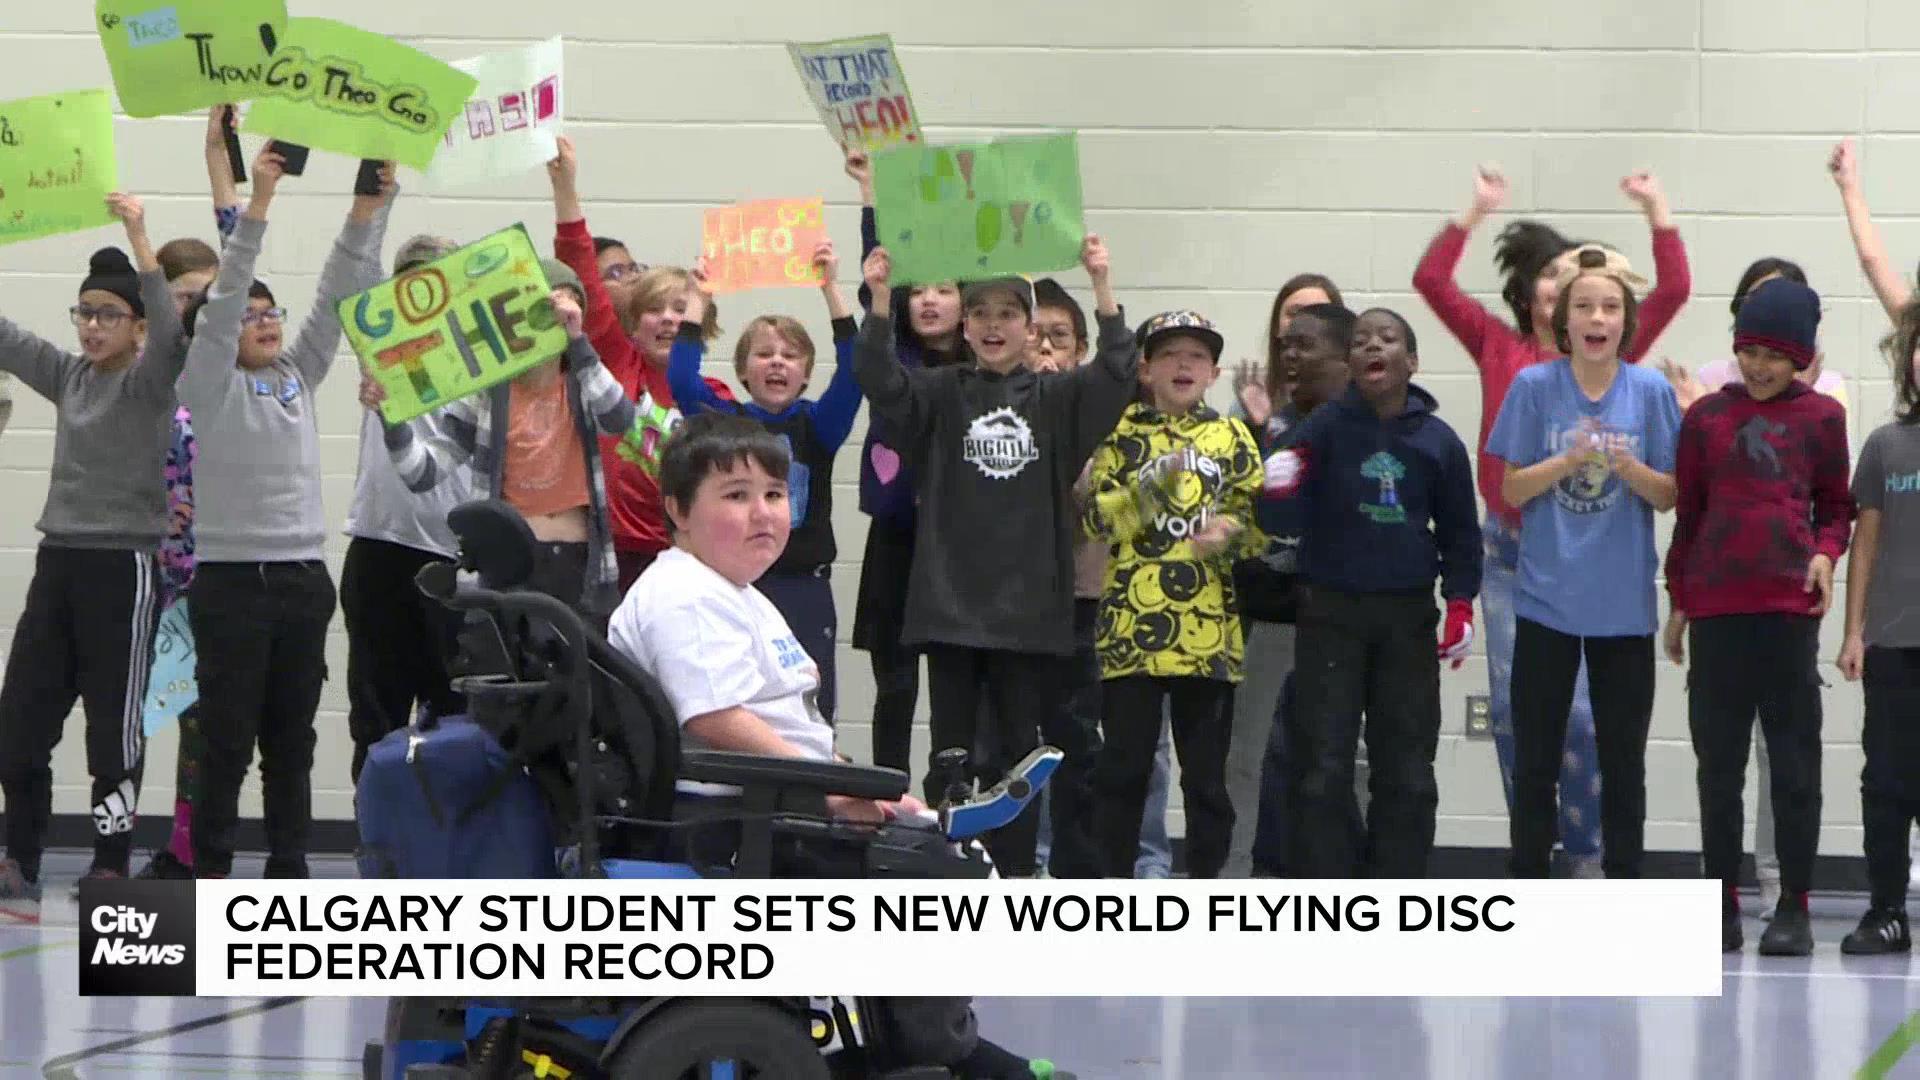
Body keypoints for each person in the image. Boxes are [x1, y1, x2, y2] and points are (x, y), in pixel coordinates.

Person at [609, 411, 1074, 1080]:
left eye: (773, 494)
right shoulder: (685, 595)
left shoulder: (727, 589)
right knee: (933, 875)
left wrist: (850, 780)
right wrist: (829, 787)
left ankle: (907, 1051)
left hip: (766, 801)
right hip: (733, 821)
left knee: (924, 839)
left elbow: (775, 719)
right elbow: (715, 720)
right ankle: (945, 1053)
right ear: (679, 510)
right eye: (735, 496)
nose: (763, 513)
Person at [1414, 166, 1691, 878]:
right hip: (1510, 552)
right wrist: (1473, 211)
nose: (1569, 293)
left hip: (1593, 560)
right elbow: (1432, 282)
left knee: (1589, 721)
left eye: (1587, 287)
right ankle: (1534, 855)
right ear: (1541, 296)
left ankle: (1591, 850)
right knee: (1517, 715)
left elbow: (1674, 291)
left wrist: (1657, 210)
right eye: (1554, 278)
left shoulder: (1619, 355)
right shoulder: (1502, 351)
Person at [854, 238, 1133, 879]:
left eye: (1009, 313)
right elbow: (878, 379)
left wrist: (1101, 282)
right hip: (950, 603)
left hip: (1027, 611)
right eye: (980, 313)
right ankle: (953, 880)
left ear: (1031, 329)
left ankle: (1014, 880)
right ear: (966, 326)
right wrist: (876, 297)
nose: (993, 325)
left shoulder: (1060, 401)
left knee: (1016, 760)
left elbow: (1118, 370)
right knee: (950, 755)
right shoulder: (939, 392)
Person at [179, 147, 396, 880]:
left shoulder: (297, 376)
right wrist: (260, 200)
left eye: (274, 313)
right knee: (226, 741)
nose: (266, 322)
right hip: (231, 585)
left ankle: (288, 869)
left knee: (292, 742)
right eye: (251, 315)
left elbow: (339, 292)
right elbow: (228, 288)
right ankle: (209, 871)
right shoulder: (204, 385)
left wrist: (367, 212)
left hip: (304, 581)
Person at [0, 194, 185, 915]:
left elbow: (173, 334)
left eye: (108, 315)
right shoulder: (68, 377)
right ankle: (20, 855)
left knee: (114, 726)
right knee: (19, 723)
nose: (92, 327)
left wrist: (140, 237)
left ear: (135, 326)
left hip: (125, 570)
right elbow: (9, 339)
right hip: (61, 566)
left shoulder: (148, 381)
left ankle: (112, 861)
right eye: (84, 313)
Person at [1663, 277, 1852, 955]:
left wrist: (1828, 555)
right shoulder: (1706, 418)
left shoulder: (1823, 419)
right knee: (1719, 770)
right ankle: (1720, 904)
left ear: (1801, 357)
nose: (1760, 366)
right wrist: (1678, 603)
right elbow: (1689, 517)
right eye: (1749, 351)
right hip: (1717, 614)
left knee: (1795, 767)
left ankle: (1793, 908)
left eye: (1775, 354)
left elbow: (1836, 508)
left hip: (1787, 614)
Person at [1485, 249, 1682, 881]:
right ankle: (1528, 883)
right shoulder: (1534, 388)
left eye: (1610, 307)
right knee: (1536, 755)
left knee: (1623, 759)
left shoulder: (1649, 392)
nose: (1597, 317)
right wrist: (1567, 461)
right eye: (1583, 306)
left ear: (1627, 322)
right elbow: (1512, 491)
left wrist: (1626, 467)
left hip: (1623, 607)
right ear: (1562, 323)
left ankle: (1623, 880)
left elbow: (1669, 493)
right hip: (1545, 600)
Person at [1263, 307, 1481, 878]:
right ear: (1350, 361)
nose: (1372, 347)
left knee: (1406, 765)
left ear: (1411, 361)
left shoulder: (1439, 442)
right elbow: (1276, 517)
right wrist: (1277, 482)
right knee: (1323, 764)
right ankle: (1329, 889)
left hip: (1406, 619)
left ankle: (1398, 887)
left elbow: (1461, 533)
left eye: (1387, 338)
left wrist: (1460, 604)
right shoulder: (1324, 427)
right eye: (1360, 340)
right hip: (1329, 613)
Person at [371, 260, 665, 624]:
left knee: (579, 674)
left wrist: (579, 343)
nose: (554, 319)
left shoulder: (584, 380)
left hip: (579, 562)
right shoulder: (488, 394)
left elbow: (620, 419)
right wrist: (392, 415)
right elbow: (423, 473)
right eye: (544, 309)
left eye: (566, 310)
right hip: (507, 564)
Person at [1081, 310, 1262, 879]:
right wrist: (1153, 486)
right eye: (1169, 355)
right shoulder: (1118, 431)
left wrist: (1231, 535)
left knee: (1206, 778)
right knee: (1124, 770)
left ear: (1213, 372)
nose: (1183, 365)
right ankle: (1112, 884)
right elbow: (1097, 521)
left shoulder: (1231, 436)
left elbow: (1258, 523)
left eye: (1197, 357)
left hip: (1208, 633)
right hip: (1131, 630)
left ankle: (1206, 883)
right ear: (1145, 367)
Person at [668, 240, 859, 723]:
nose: (777, 362)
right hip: (737, 584)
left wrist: (829, 287)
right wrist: (700, 296)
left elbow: (856, 369)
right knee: (746, 706)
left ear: (806, 373)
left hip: (803, 588)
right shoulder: (725, 426)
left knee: (811, 709)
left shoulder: (820, 425)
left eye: (791, 355)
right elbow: (682, 379)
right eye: (764, 354)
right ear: (742, 371)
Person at [545, 135, 733, 592]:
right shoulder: (616, 361)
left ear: (701, 324)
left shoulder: (715, 396)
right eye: (656, 309)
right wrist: (566, 188)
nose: (669, 318)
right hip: (611, 553)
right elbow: (581, 267)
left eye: (680, 309)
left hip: (687, 557)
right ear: (633, 320)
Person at [845, 146, 966, 775]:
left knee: (953, 694)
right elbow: (877, 285)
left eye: (944, 290)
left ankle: (951, 803)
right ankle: (886, 796)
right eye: (918, 291)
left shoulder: (984, 370)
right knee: (895, 687)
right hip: (895, 535)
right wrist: (871, 195)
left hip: (958, 545)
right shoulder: (892, 357)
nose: (928, 300)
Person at [339, 234, 473, 784]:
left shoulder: (479, 357)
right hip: (380, 547)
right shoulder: (379, 344)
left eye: (434, 278)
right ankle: (378, 845)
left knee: (454, 715)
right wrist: (376, 197)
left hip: (453, 556)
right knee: (375, 716)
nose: (421, 291)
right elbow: (351, 271)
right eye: (409, 279)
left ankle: (443, 849)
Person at [1033, 282, 1155, 880]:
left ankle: (1082, 873)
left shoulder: (1106, 419)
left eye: (1059, 337)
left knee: (1082, 744)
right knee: (1011, 745)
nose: (1045, 348)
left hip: (1088, 598)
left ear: (1080, 350)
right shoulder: (996, 410)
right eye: (1035, 337)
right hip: (1012, 608)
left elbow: (1111, 512)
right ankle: (1019, 867)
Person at [1247, 303, 1355, 876]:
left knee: (1329, 754)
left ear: (1344, 358)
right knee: (1274, 752)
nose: (1290, 355)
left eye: (1304, 345)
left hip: (1340, 614)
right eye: (1285, 344)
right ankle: (1273, 871)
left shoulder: (1360, 427)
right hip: (1278, 612)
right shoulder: (1284, 423)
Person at [1836, 300, 1920, 955]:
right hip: (1894, 645)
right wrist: (1854, 630)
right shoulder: (1886, 446)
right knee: (1887, 781)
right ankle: (1887, 910)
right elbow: (1864, 543)